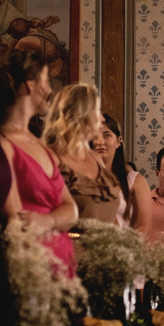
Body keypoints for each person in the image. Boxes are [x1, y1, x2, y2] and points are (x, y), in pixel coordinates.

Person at [0, 48, 79, 275]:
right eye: (46, 81)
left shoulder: (41, 145)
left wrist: (48, 221)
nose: (50, 90)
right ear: (30, 85)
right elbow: (15, 224)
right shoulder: (3, 143)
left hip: (63, 269)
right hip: (32, 270)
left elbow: (71, 210)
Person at [42, 83, 125, 226]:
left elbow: (111, 216)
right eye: (96, 111)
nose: (102, 119)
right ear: (80, 115)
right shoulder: (52, 158)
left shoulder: (95, 158)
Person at [95, 113, 151, 231]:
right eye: (94, 136)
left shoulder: (134, 180)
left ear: (119, 141)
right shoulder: (78, 177)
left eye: (106, 135)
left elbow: (145, 226)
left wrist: (124, 242)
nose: (100, 142)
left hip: (125, 240)